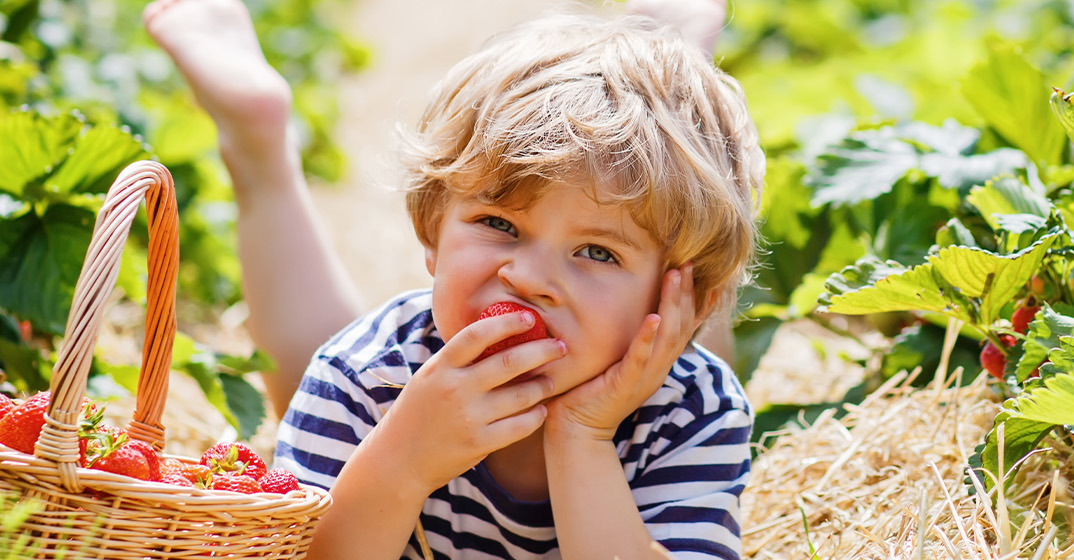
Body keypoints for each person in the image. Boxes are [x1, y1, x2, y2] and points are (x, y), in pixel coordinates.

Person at [144, 0, 761, 558]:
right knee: (312, 366)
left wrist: (583, 436)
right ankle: (259, 148)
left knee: (687, 249)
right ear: (431, 231)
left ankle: (669, 71)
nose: (527, 278)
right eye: (499, 223)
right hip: (384, 386)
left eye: (597, 252)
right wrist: (404, 459)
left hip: (664, 328)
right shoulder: (363, 375)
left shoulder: (691, 412)